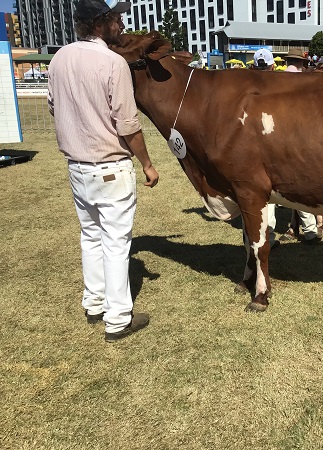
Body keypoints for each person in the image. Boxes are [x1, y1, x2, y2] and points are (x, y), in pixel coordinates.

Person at [48, 0, 158, 342]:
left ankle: (93, 303)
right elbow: (127, 124)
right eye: (116, 18)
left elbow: (53, 106)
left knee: (90, 237)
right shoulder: (112, 62)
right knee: (115, 243)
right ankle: (118, 319)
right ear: (101, 22)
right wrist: (147, 163)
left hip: (77, 166)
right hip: (110, 166)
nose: (122, 23)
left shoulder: (59, 58)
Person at [278, 48, 321, 244]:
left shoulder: (279, 79)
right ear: (302, 63)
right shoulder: (304, 80)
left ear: (287, 61)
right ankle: (311, 229)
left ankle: (299, 227)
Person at [249, 48, 280, 249]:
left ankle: (266, 234)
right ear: (272, 65)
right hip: (281, 141)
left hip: (259, 142)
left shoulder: (248, 87)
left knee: (263, 191)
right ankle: (310, 228)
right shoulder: (281, 84)